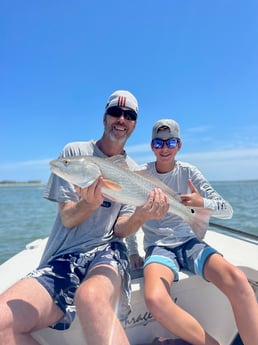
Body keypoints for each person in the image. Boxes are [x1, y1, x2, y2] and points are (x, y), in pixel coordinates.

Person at [0, 90, 159, 345]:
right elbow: (68, 219)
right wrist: (89, 203)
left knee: (91, 297)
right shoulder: (74, 153)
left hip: (107, 250)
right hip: (66, 254)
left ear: (134, 124)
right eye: (115, 113)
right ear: (104, 117)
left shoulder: (135, 171)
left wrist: (141, 215)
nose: (121, 119)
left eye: (129, 115)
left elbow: (120, 230)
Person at [115, 118, 258, 345]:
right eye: (158, 143)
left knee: (239, 281)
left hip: (190, 243)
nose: (164, 149)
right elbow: (130, 209)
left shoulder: (189, 172)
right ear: (152, 146)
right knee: (155, 298)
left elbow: (227, 210)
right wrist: (133, 250)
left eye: (170, 143)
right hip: (158, 247)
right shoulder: (140, 174)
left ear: (179, 145)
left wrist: (202, 202)